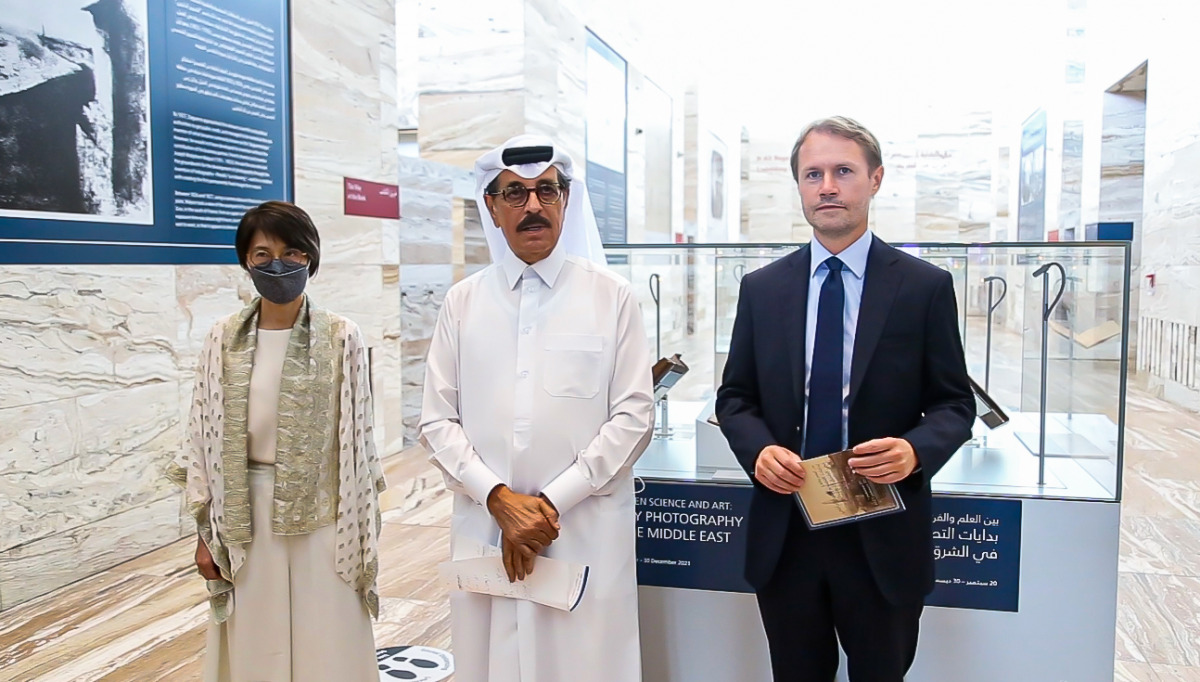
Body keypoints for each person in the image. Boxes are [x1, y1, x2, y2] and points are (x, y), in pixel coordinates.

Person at [715, 116, 975, 682]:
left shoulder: (923, 287)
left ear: (875, 180)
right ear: (800, 187)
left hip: (882, 530)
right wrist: (758, 451)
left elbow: (956, 404)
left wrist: (914, 451)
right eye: (813, 174)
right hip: (789, 531)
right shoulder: (763, 290)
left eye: (843, 171)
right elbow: (735, 398)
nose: (827, 186)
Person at [419, 134, 654, 682]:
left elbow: (633, 417)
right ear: (493, 208)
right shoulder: (463, 302)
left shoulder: (611, 296)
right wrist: (499, 500)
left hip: (583, 527)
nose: (532, 207)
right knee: (491, 662)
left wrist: (547, 506)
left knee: (585, 663)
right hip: (486, 525)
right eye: (515, 194)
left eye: (546, 191)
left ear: (565, 203)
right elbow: (436, 420)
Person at [168, 201, 386, 682]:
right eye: (262, 254)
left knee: (327, 638)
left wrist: (360, 530)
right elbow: (201, 440)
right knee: (257, 644)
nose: (277, 264)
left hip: (325, 515)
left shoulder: (342, 336)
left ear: (311, 258)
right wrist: (206, 537)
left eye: (291, 252)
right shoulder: (221, 338)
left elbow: (356, 441)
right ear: (246, 262)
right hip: (245, 513)